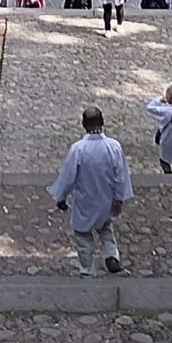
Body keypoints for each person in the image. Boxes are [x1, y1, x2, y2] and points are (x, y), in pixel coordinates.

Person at [50, 106, 134, 276]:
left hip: (85, 201)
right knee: (106, 229)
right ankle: (111, 255)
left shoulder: (78, 149)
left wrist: (61, 197)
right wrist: (119, 198)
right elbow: (121, 176)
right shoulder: (114, 147)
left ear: (84, 125)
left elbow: (68, 177)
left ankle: (87, 270)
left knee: (83, 237)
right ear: (102, 122)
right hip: (106, 199)